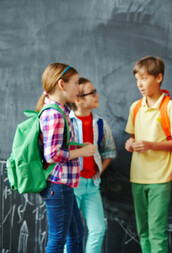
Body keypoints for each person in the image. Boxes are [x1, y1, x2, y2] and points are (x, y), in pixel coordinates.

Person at [124, 56, 172, 253]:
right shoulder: (135, 107)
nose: (139, 84)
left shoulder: (170, 107)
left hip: (160, 178)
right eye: (137, 79)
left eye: (144, 78)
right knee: (143, 232)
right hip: (137, 177)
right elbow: (132, 137)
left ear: (158, 78)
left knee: (156, 233)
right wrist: (130, 144)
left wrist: (150, 145)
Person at [36, 63, 96, 252]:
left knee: (76, 233)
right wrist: (82, 152)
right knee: (57, 239)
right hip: (58, 186)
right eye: (76, 83)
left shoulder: (59, 111)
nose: (79, 88)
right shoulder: (55, 114)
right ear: (62, 84)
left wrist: (79, 146)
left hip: (63, 186)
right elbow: (52, 154)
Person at [69, 77, 116, 253]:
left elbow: (110, 151)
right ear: (78, 99)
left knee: (98, 230)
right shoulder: (68, 122)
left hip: (92, 186)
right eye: (92, 93)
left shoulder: (100, 123)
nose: (97, 95)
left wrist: (99, 171)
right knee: (71, 234)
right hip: (72, 185)